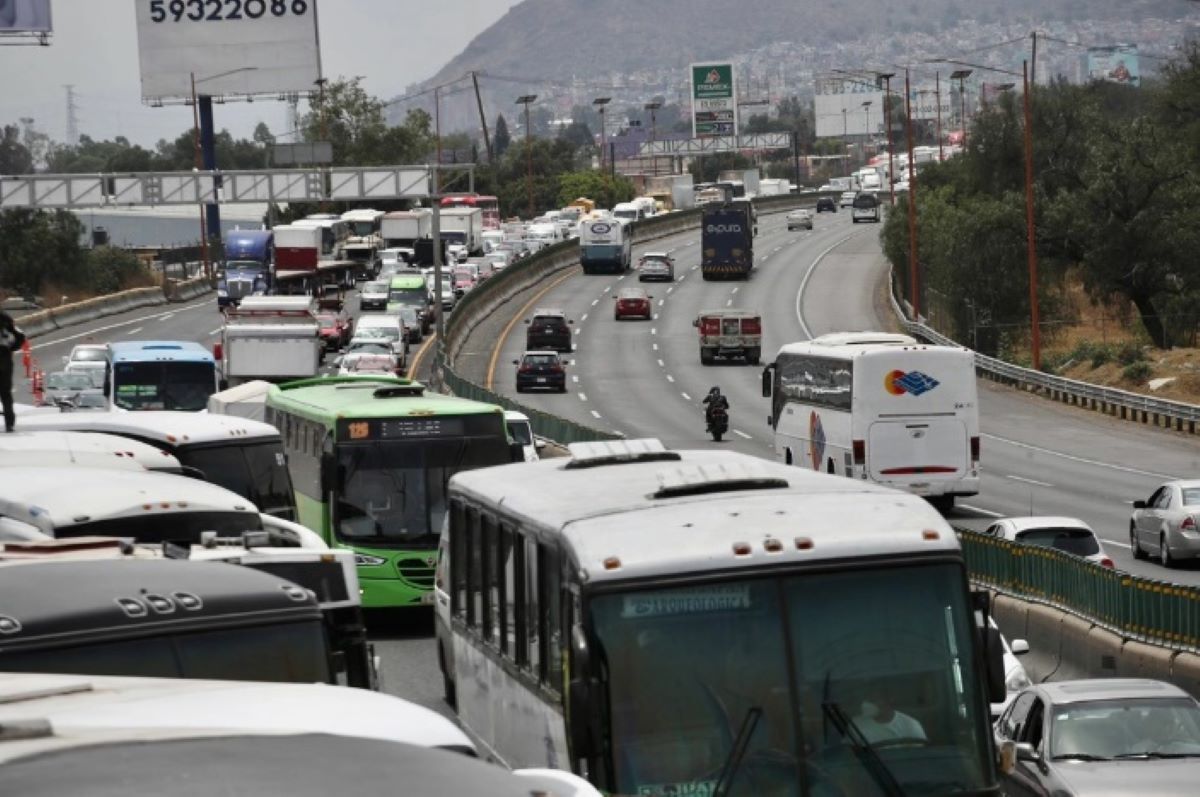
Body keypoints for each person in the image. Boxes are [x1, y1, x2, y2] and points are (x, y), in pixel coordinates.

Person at [852, 694, 926, 745]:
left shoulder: (911, 725)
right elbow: (849, 754)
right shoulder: (856, 724)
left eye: (872, 700)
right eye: (866, 700)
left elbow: (920, 752)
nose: (865, 704)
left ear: (888, 702)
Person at [0, 309, 26, 433]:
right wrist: (12, 348)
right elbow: (20, 336)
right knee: (6, 393)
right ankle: (9, 424)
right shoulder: (6, 317)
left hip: (5, 357)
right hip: (4, 357)